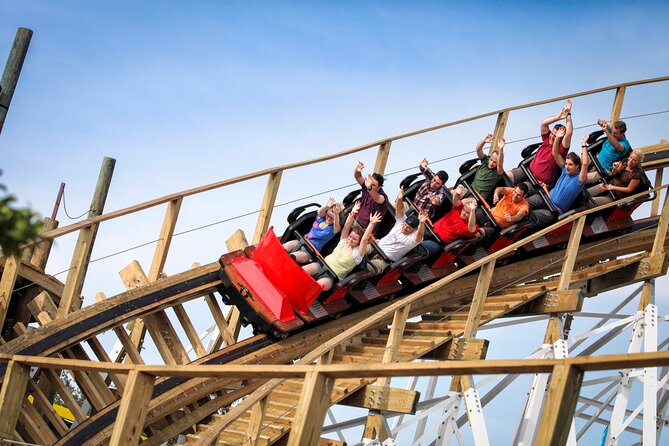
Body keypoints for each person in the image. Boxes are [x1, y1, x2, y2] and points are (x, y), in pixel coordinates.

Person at [302, 202, 380, 292]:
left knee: (315, 286)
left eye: (354, 239)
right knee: (302, 270)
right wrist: (353, 213)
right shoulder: (343, 241)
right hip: (321, 265)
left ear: (358, 242)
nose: (350, 239)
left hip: (331, 276)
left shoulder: (357, 254)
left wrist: (371, 224)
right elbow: (347, 226)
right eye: (350, 236)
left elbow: (364, 240)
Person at [527, 127, 588, 225]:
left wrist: (584, 145)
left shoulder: (580, 179)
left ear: (577, 166)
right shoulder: (564, 170)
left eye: (570, 165)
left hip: (554, 210)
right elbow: (555, 153)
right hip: (545, 198)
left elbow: (584, 164)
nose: (567, 166)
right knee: (524, 203)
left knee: (529, 216)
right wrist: (558, 138)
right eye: (566, 163)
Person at [507, 100, 573, 189]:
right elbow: (544, 123)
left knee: (519, 189)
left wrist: (568, 115)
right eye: (552, 134)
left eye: (555, 136)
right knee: (507, 175)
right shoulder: (546, 139)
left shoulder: (561, 149)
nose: (552, 137)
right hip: (527, 171)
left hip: (538, 183)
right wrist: (559, 117)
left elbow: (569, 133)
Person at [369, 187, 428, 272]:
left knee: (367, 268)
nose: (405, 228)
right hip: (376, 245)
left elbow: (420, 234)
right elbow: (399, 210)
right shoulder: (401, 223)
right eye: (405, 225)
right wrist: (400, 199)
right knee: (355, 254)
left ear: (414, 230)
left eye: (408, 228)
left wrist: (422, 223)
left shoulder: (412, 239)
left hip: (383, 260)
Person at [422, 185, 483, 255]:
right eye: (464, 210)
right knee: (414, 233)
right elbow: (456, 201)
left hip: (437, 243)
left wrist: (472, 211)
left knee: (419, 245)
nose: (463, 213)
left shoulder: (469, 226)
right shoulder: (457, 210)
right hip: (430, 230)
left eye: (467, 213)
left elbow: (471, 226)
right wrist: (457, 193)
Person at [283, 197, 343, 263]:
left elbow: (337, 228)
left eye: (332, 218)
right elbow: (320, 211)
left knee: (291, 257)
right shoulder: (321, 219)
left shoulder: (332, 229)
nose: (329, 218)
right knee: (284, 248)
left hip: (310, 251)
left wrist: (336, 214)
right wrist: (327, 206)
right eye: (328, 215)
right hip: (302, 241)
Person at [587, 119, 632, 183]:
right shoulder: (613, 131)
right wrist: (601, 122)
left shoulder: (625, 144)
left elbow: (617, 146)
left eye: (615, 133)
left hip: (603, 170)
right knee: (576, 161)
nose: (613, 134)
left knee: (583, 178)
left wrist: (607, 131)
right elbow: (602, 124)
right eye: (612, 131)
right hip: (595, 159)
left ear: (622, 133)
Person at [466, 133, 505, 200]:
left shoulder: (497, 172)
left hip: (477, 197)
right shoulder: (485, 161)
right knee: (456, 191)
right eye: (491, 160)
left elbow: (500, 164)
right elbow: (478, 149)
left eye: (495, 162)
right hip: (469, 190)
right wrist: (484, 141)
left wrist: (501, 149)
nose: (491, 163)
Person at [353, 161, 389, 234]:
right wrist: (357, 170)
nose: (370, 185)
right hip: (356, 222)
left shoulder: (383, 197)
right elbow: (358, 177)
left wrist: (369, 187)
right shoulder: (366, 186)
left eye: (373, 185)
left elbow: (376, 198)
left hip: (366, 230)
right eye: (370, 183)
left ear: (379, 187)